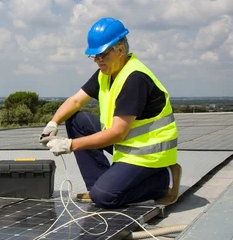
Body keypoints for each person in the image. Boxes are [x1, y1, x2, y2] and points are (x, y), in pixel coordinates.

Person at [39, 17, 181, 209]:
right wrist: (53, 123)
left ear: (120, 50)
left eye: (102, 55)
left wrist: (70, 144)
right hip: (128, 144)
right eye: (94, 56)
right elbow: (76, 101)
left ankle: (160, 182)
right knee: (75, 120)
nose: (97, 61)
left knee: (105, 197)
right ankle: (99, 184)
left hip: (147, 154)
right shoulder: (106, 73)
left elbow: (117, 133)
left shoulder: (134, 79)